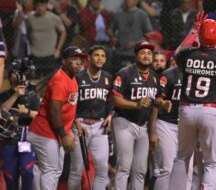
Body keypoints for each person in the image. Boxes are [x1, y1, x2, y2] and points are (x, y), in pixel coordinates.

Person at [168, 11, 216, 190]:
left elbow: (177, 52)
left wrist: (194, 29)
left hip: (186, 110)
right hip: (211, 110)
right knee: (211, 162)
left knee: (182, 157)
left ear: (201, 36)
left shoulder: (189, 55)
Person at [27, 46, 87, 190]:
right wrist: (64, 134)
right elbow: (54, 110)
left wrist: (73, 126)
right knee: (51, 171)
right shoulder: (60, 80)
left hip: (52, 132)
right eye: (74, 59)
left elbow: (67, 109)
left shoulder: (71, 78)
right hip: (45, 132)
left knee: (55, 170)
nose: (79, 62)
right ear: (64, 61)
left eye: (80, 59)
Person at [109, 40, 158, 190]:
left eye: (149, 53)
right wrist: (135, 104)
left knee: (141, 170)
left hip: (143, 126)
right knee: (124, 166)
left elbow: (155, 104)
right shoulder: (124, 73)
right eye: (142, 53)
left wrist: (152, 130)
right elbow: (114, 99)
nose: (146, 56)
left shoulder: (154, 77)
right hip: (124, 122)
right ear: (136, 55)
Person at [68, 45, 113, 190]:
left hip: (100, 127)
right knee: (77, 169)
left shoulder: (107, 78)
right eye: (96, 55)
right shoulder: (78, 77)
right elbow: (70, 103)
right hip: (80, 125)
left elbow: (111, 100)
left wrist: (110, 116)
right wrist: (75, 122)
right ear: (89, 58)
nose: (100, 58)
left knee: (102, 168)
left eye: (103, 55)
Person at [0, 67, 40, 190]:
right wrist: (16, 94)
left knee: (27, 171)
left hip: (25, 136)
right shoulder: (4, 95)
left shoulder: (32, 95)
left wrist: (26, 111)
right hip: (8, 137)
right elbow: (2, 111)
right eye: (14, 75)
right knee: (10, 175)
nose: (17, 78)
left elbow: (39, 116)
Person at [152, 65, 183, 190]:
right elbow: (156, 101)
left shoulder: (198, 73)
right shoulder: (168, 75)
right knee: (167, 168)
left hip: (186, 126)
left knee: (186, 170)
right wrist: (152, 130)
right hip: (166, 123)